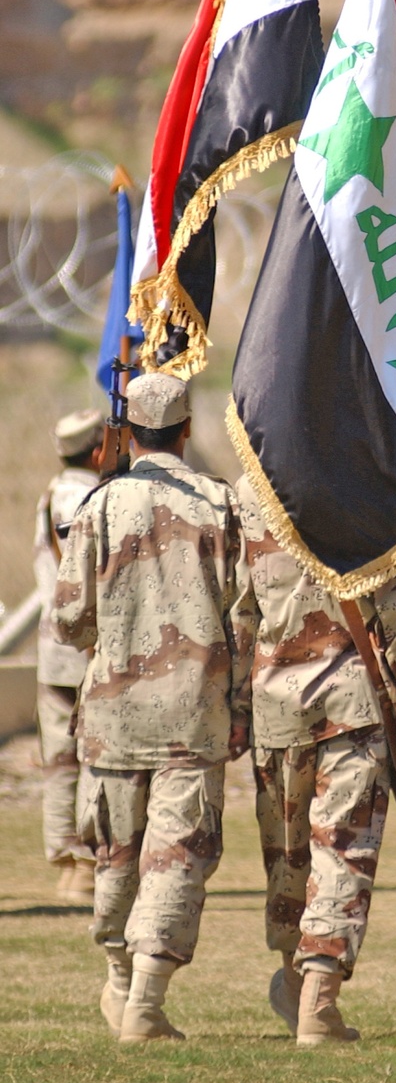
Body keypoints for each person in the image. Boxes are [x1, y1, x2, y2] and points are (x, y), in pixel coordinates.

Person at [52, 373, 254, 1044]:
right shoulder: (221, 503)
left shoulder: (98, 506)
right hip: (194, 713)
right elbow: (245, 612)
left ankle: (118, 977)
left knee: (113, 854)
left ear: (126, 432)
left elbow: (69, 621)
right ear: (188, 428)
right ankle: (145, 998)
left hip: (112, 717)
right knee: (177, 855)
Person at [235, 472, 396, 1047]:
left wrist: (239, 702)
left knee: (288, 853)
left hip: (276, 698)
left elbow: (239, 607)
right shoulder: (365, 476)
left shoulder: (247, 488)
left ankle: (298, 990)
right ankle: (318, 1000)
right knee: (343, 850)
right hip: (354, 697)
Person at [33, 409, 103, 902]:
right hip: (85, 645)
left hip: (52, 646)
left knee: (60, 757)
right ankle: (82, 863)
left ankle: (64, 857)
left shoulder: (51, 493)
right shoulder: (85, 498)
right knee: (90, 756)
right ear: (98, 448)